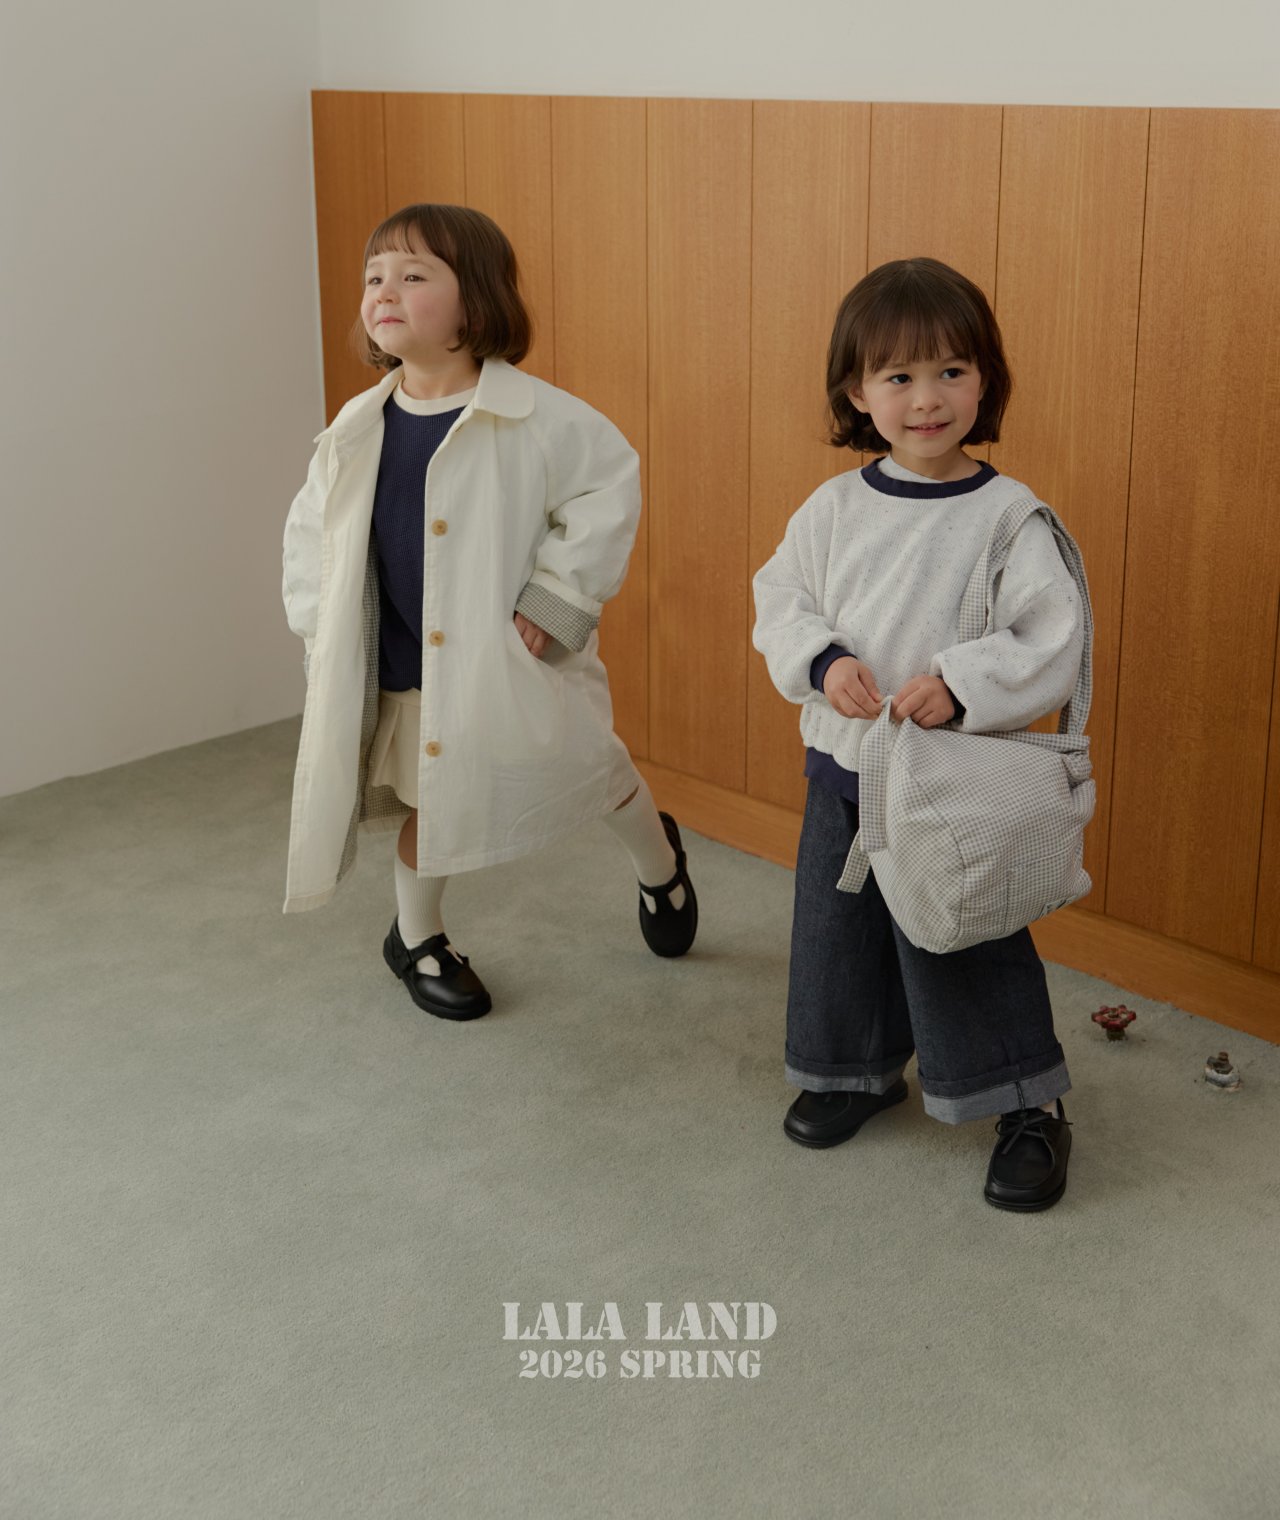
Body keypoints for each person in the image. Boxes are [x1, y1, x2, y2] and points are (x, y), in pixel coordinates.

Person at [281, 204, 696, 1018]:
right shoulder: (356, 428)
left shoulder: (541, 417)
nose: (384, 291)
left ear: (474, 302)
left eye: (413, 275)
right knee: (431, 800)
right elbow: (309, 536)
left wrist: (557, 600)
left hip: (511, 655)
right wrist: (318, 628)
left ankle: (661, 868)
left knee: (595, 769)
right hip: (407, 662)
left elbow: (605, 491)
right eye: (373, 277)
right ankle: (418, 937)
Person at [751, 256, 1087, 1211]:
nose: (927, 398)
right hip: (847, 765)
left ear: (985, 381)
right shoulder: (833, 509)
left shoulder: (1008, 519)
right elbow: (780, 599)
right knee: (839, 927)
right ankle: (853, 1069)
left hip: (952, 782)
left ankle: (1027, 1102)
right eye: (898, 376)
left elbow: (1049, 638)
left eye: (950, 371)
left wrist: (961, 685)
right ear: (857, 392)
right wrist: (823, 661)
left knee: (963, 932)